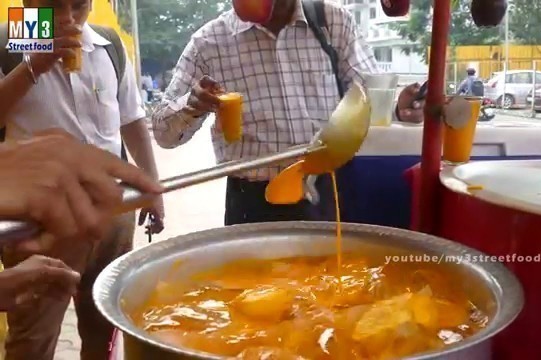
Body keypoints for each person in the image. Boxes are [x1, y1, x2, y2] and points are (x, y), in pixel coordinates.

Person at [153, 0, 425, 226]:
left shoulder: (333, 22)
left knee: (331, 283)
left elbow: (368, 99)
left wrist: (398, 108)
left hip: (327, 191)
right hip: (253, 202)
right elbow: (164, 134)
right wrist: (193, 105)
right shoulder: (209, 43)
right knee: (253, 287)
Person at [0, 0, 165, 358]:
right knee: (33, 333)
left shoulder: (109, 44)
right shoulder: (8, 40)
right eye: (53, 6)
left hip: (112, 208)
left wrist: (152, 187)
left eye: (78, 5)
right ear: (30, 4)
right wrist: (33, 66)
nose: (68, 18)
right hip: (41, 222)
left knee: (105, 325)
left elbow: (132, 120)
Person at [0, 130, 163, 311]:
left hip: (113, 199)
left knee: (107, 311)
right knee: (35, 327)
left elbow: (132, 119)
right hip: (40, 215)